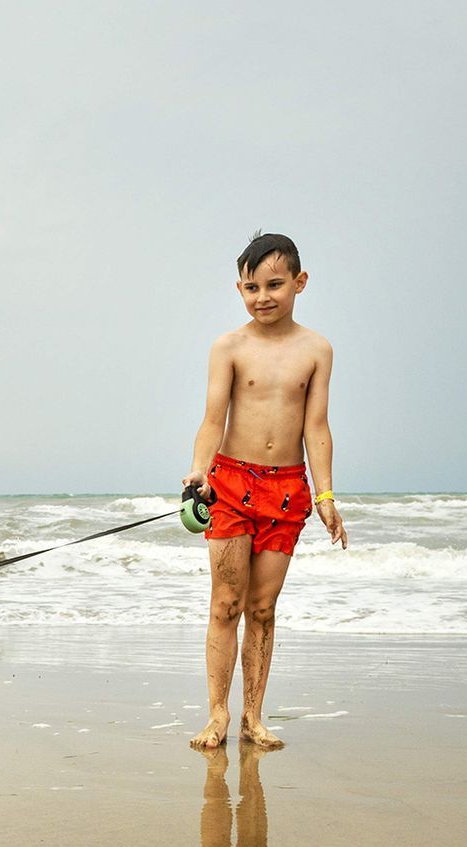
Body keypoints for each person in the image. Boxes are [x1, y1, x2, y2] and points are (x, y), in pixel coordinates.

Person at [181, 232, 347, 750]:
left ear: (299, 282)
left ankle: (254, 716)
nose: (263, 297)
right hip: (231, 483)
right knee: (225, 605)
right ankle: (217, 715)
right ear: (239, 289)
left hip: (286, 488)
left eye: (275, 284)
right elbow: (213, 418)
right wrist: (198, 471)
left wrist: (325, 497)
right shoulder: (229, 347)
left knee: (263, 608)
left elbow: (316, 427)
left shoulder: (316, 349)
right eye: (252, 287)